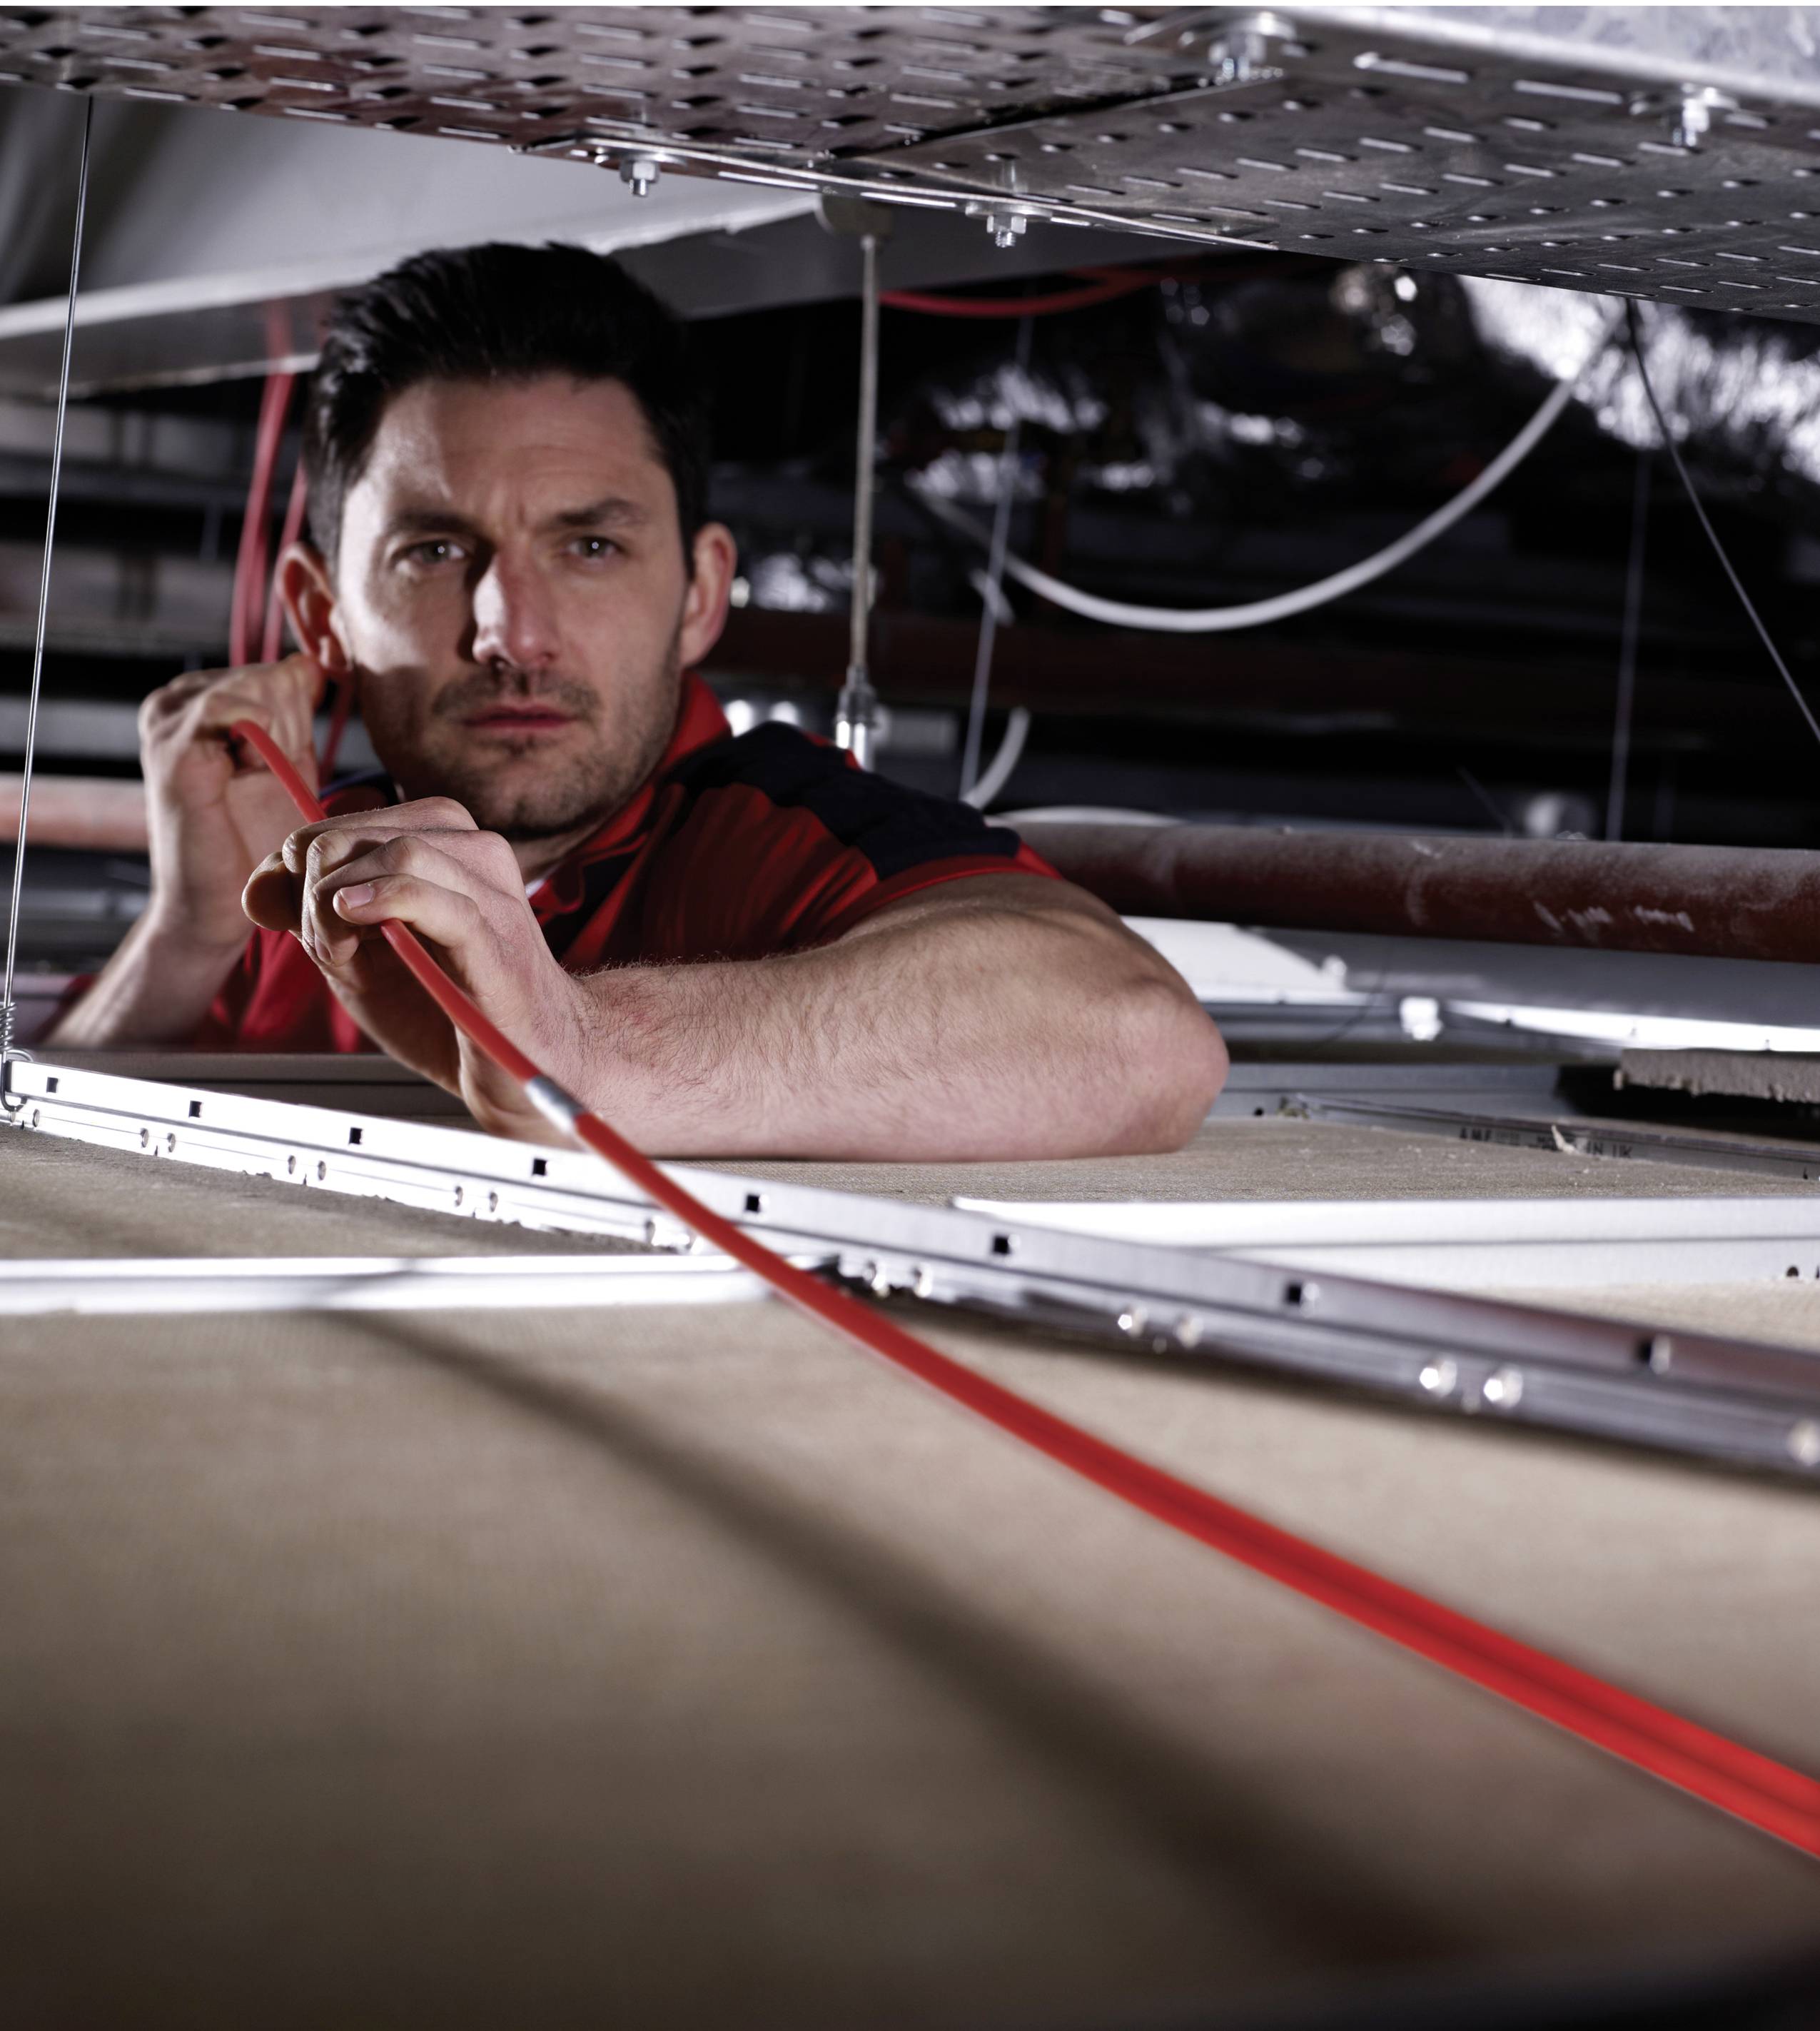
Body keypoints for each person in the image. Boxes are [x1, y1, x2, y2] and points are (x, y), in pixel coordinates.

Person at [51, 243, 1226, 1158]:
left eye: (590, 546)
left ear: (701, 592)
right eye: (435, 551)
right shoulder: (303, 864)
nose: (513, 632)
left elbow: (1136, 1038)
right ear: (320, 613)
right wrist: (187, 935)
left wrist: (581, 1050)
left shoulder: (780, 831)